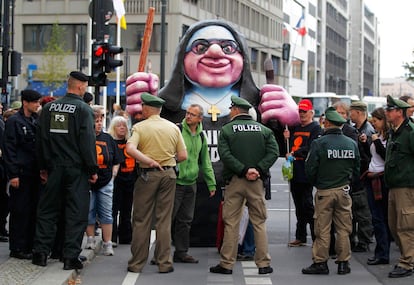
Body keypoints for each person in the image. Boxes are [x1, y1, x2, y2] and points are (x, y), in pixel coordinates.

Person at [125, 20, 299, 247]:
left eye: (228, 48)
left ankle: (235, 251)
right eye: (200, 47)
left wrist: (290, 123)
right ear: (182, 57)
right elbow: (146, 138)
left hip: (235, 183)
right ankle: (177, 250)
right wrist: (139, 112)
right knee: (178, 222)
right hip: (185, 186)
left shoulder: (258, 104)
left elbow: (276, 147)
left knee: (241, 225)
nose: (215, 52)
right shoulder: (167, 104)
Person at [32, 71, 98, 270]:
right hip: (76, 170)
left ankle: (41, 253)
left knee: (47, 211)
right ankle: (70, 257)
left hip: (53, 168)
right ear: (80, 87)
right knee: (76, 213)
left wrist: (43, 167)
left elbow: (41, 140)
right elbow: (87, 142)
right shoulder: (83, 110)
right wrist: (92, 168)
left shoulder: (49, 108)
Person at [209, 96, 278, 275]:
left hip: (235, 181)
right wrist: (257, 169)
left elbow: (224, 154)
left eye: (231, 108)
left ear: (236, 110)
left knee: (231, 222)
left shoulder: (227, 130)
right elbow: (274, 152)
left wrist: (243, 170)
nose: (230, 111)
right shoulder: (264, 130)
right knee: (259, 222)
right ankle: (263, 263)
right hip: (256, 182)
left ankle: (226, 264)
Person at [126, 93, 187, 274]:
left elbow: (130, 149)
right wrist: (168, 161)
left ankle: (137, 263)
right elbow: (183, 155)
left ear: (146, 108)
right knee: (164, 220)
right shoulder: (173, 128)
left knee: (141, 220)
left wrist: (149, 161)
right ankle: (164, 263)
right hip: (169, 174)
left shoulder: (140, 128)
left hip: (147, 175)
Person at [302, 107, 360, 275]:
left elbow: (310, 168)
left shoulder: (319, 143)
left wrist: (317, 183)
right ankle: (343, 263)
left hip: (324, 191)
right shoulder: (351, 143)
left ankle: (321, 262)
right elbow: (356, 168)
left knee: (322, 228)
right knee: (343, 228)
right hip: (344, 190)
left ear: (326, 123)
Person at [171, 104, 216, 263]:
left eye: (192, 114)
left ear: (200, 119)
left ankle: (181, 252)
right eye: (187, 113)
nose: (188, 116)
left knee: (186, 220)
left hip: (191, 184)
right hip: (175, 182)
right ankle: (160, 255)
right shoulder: (177, 130)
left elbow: (205, 161)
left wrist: (211, 183)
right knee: (167, 219)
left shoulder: (201, 136)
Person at [3, 90, 42, 260]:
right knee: (20, 210)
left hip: (33, 173)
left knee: (32, 210)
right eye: (34, 102)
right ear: (25, 103)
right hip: (20, 173)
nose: (37, 105)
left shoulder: (34, 120)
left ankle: (28, 245)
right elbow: (9, 150)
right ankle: (17, 247)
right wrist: (13, 175)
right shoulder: (14, 122)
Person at [284, 99, 322, 247]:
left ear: (311, 112)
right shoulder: (295, 128)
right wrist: (286, 138)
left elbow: (313, 148)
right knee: (298, 206)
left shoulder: (316, 129)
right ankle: (300, 236)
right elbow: (286, 148)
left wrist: (295, 152)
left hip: (306, 172)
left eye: (304, 112)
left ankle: (315, 236)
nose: (302, 114)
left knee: (307, 206)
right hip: (294, 171)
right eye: (300, 111)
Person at [384, 95, 414, 278]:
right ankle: (406, 258)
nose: (387, 112)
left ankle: (407, 262)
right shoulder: (395, 131)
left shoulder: (410, 132)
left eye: (390, 110)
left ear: (399, 112)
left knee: (406, 226)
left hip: (407, 187)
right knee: (395, 226)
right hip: (395, 186)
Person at [85, 106, 120, 256]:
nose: (99, 124)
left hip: (106, 180)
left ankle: (107, 243)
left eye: (101, 121)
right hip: (88, 181)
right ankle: (90, 239)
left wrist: (113, 173)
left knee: (107, 213)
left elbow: (117, 159)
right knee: (89, 211)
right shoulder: (85, 138)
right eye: (96, 121)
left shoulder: (108, 139)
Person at [365, 107, 391, 266]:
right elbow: (372, 156)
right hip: (372, 176)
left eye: (376, 121)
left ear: (383, 121)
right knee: (377, 217)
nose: (374, 124)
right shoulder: (379, 135)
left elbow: (385, 155)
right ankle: (381, 252)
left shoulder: (387, 137)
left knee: (379, 217)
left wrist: (374, 141)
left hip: (380, 178)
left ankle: (383, 253)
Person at [348, 101, 374, 252]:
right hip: (357, 175)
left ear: (358, 112)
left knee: (362, 210)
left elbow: (368, 156)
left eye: (351, 112)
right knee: (354, 210)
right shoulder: (356, 129)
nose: (350, 115)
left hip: (363, 175)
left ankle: (364, 241)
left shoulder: (368, 131)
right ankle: (356, 239)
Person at [107, 115, 136, 246]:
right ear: (113, 128)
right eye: (119, 125)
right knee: (113, 209)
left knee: (127, 209)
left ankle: (125, 236)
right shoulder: (110, 142)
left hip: (130, 179)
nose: (122, 128)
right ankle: (111, 237)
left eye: (124, 125)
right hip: (116, 180)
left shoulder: (131, 142)